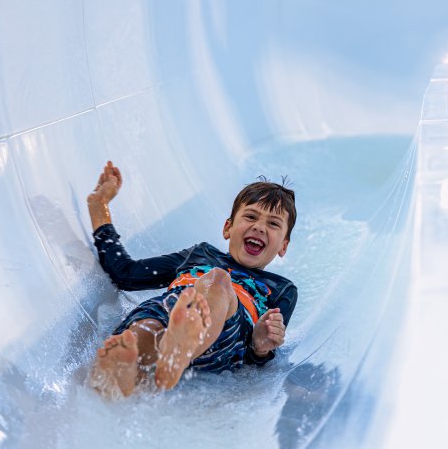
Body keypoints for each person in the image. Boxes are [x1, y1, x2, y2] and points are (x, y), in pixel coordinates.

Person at [87, 161, 297, 398]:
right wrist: (100, 209)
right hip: (171, 310)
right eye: (250, 217)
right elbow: (127, 274)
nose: (259, 227)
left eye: (273, 224)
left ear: (283, 246)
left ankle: (179, 352)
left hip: (226, 335)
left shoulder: (281, 289)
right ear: (227, 228)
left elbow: (257, 361)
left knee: (217, 280)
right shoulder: (201, 254)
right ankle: (127, 373)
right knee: (143, 332)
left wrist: (260, 348)